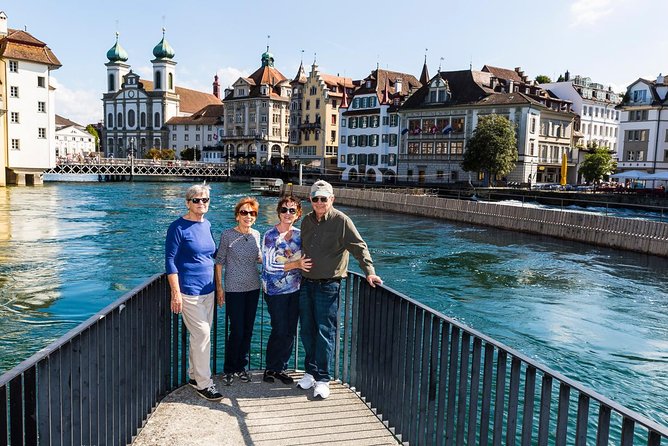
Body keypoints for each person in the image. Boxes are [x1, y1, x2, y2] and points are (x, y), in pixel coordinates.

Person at [297, 180, 382, 399]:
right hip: (306, 284)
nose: (319, 202)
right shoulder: (306, 221)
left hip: (328, 285)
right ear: (310, 200)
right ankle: (310, 372)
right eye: (315, 198)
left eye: (323, 198)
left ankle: (323, 379)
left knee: (325, 332)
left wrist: (369, 271)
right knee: (307, 330)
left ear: (331, 199)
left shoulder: (342, 221)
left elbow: (359, 247)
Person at [165, 183, 222, 401]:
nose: (201, 203)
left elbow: (213, 254)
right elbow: (170, 261)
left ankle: (193, 376)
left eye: (205, 200)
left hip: (208, 289)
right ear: (188, 203)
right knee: (203, 335)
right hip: (189, 291)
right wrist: (175, 293)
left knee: (199, 337)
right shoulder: (177, 227)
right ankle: (205, 384)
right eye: (196, 200)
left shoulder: (206, 225)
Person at [261, 196, 312, 385]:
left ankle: (281, 368)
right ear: (278, 212)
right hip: (275, 292)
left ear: (298, 214)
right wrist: (296, 263)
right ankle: (270, 367)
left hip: (296, 289)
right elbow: (268, 266)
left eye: (292, 210)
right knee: (279, 328)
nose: (287, 214)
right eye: (284, 210)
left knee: (290, 330)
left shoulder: (301, 235)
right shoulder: (270, 235)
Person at [215, 197, 261, 386]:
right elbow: (219, 262)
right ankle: (229, 369)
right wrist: (219, 288)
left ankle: (241, 366)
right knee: (237, 330)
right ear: (237, 216)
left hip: (253, 288)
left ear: (255, 217)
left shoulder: (257, 235)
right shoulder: (227, 235)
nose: (247, 216)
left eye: (251, 213)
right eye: (244, 212)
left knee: (248, 330)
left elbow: (259, 258)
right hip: (234, 288)